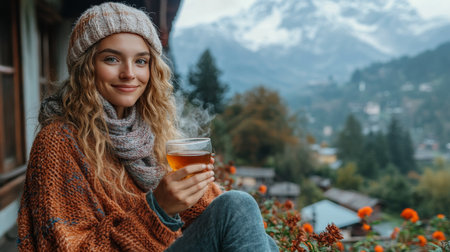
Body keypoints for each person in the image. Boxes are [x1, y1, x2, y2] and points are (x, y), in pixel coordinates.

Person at [17, 2, 278, 251]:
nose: (129, 73)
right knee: (238, 205)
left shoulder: (150, 130)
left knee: (255, 232)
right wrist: (158, 209)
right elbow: (64, 246)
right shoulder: (58, 141)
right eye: (111, 59)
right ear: (85, 67)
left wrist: (192, 191)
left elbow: (205, 215)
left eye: (141, 61)